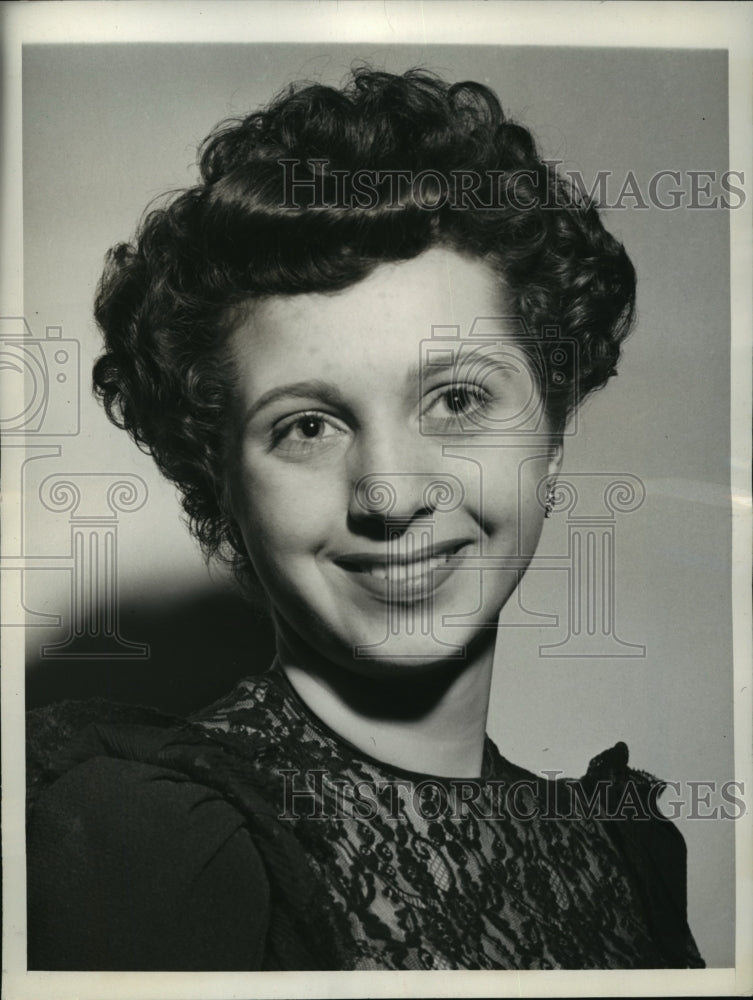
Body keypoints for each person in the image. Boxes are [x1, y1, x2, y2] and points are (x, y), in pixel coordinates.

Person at [26, 67, 704, 971]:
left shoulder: (621, 852)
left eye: (458, 400)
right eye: (306, 425)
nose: (388, 492)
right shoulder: (147, 833)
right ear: (220, 484)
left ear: (551, 426)